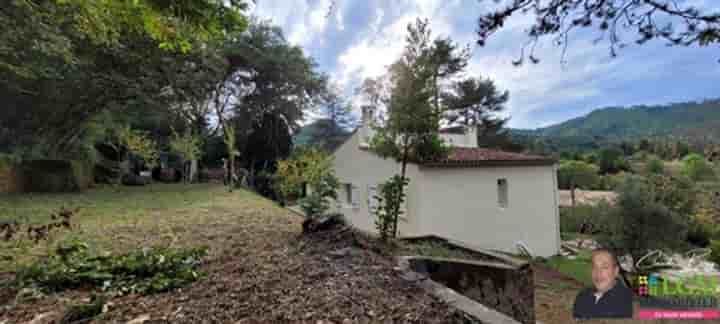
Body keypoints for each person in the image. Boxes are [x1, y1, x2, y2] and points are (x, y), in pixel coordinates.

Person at [572, 248, 634, 319]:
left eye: (604, 267)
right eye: (594, 267)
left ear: (616, 271)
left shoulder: (627, 300)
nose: (598, 272)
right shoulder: (582, 297)